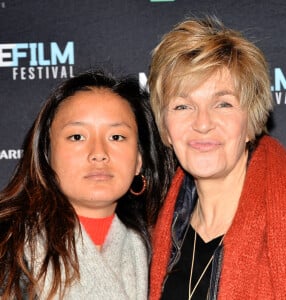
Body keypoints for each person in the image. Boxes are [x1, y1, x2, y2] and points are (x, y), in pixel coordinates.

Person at [148, 16, 286, 299]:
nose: (203, 123)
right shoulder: (161, 230)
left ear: (250, 121)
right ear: (165, 128)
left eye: (223, 104)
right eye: (183, 106)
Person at [0, 69, 175, 299]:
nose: (98, 153)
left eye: (116, 137)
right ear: (46, 154)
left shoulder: (161, 255)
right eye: (77, 137)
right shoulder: (7, 245)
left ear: (138, 161)